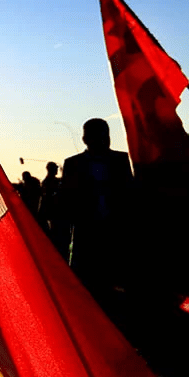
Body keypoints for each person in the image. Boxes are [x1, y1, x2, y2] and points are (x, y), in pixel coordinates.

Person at [60, 119, 134, 318]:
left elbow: (130, 195)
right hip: (87, 234)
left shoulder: (121, 160)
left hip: (117, 233)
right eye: (97, 136)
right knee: (90, 284)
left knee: (118, 283)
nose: (103, 140)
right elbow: (66, 201)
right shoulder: (73, 164)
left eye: (104, 135)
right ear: (85, 139)